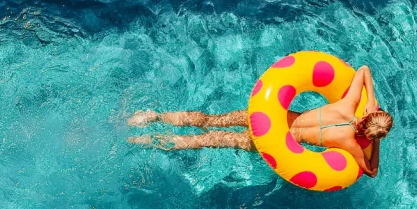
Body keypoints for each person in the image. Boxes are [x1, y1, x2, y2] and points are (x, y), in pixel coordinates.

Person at [127, 65, 393, 177]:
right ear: (371, 135)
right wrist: (376, 144)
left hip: (269, 117)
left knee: (210, 120)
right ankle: (147, 141)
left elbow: (364, 69)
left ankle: (153, 117)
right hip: (274, 140)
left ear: (369, 113)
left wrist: (371, 99)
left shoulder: (348, 104)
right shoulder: (352, 145)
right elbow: (372, 172)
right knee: (207, 141)